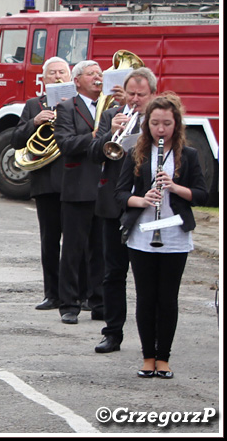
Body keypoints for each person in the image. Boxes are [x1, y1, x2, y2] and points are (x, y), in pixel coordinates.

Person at [115, 92, 208, 379]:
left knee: (168, 298)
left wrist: (174, 187)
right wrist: (142, 200)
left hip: (174, 233)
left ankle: (164, 358)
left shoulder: (188, 155)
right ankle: (148, 356)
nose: (160, 129)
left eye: (166, 123)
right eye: (155, 123)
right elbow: (119, 194)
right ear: (148, 125)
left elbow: (204, 195)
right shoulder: (137, 153)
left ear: (176, 124)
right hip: (143, 233)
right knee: (145, 297)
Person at [87, 67, 156, 353]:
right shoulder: (110, 115)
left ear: (152, 93)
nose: (136, 99)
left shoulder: (159, 119)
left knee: (146, 278)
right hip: (112, 204)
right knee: (113, 273)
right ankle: (112, 333)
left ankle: (149, 339)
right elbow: (93, 154)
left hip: (145, 205)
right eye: (131, 93)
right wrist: (110, 133)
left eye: (141, 94)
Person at [11, 57, 71, 311]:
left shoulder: (80, 105)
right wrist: (34, 122)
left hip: (73, 181)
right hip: (46, 182)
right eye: (52, 73)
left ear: (70, 77)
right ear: (44, 79)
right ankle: (52, 294)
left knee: (77, 242)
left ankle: (77, 294)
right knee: (49, 241)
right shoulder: (33, 105)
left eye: (62, 72)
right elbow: (16, 140)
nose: (57, 76)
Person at [53, 60, 106, 325]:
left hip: (103, 187)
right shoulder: (66, 108)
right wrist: (95, 136)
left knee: (101, 250)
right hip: (77, 187)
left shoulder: (112, 108)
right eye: (92, 74)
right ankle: (69, 304)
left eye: (100, 73)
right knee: (73, 249)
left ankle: (98, 301)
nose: (98, 77)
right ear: (77, 81)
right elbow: (65, 144)